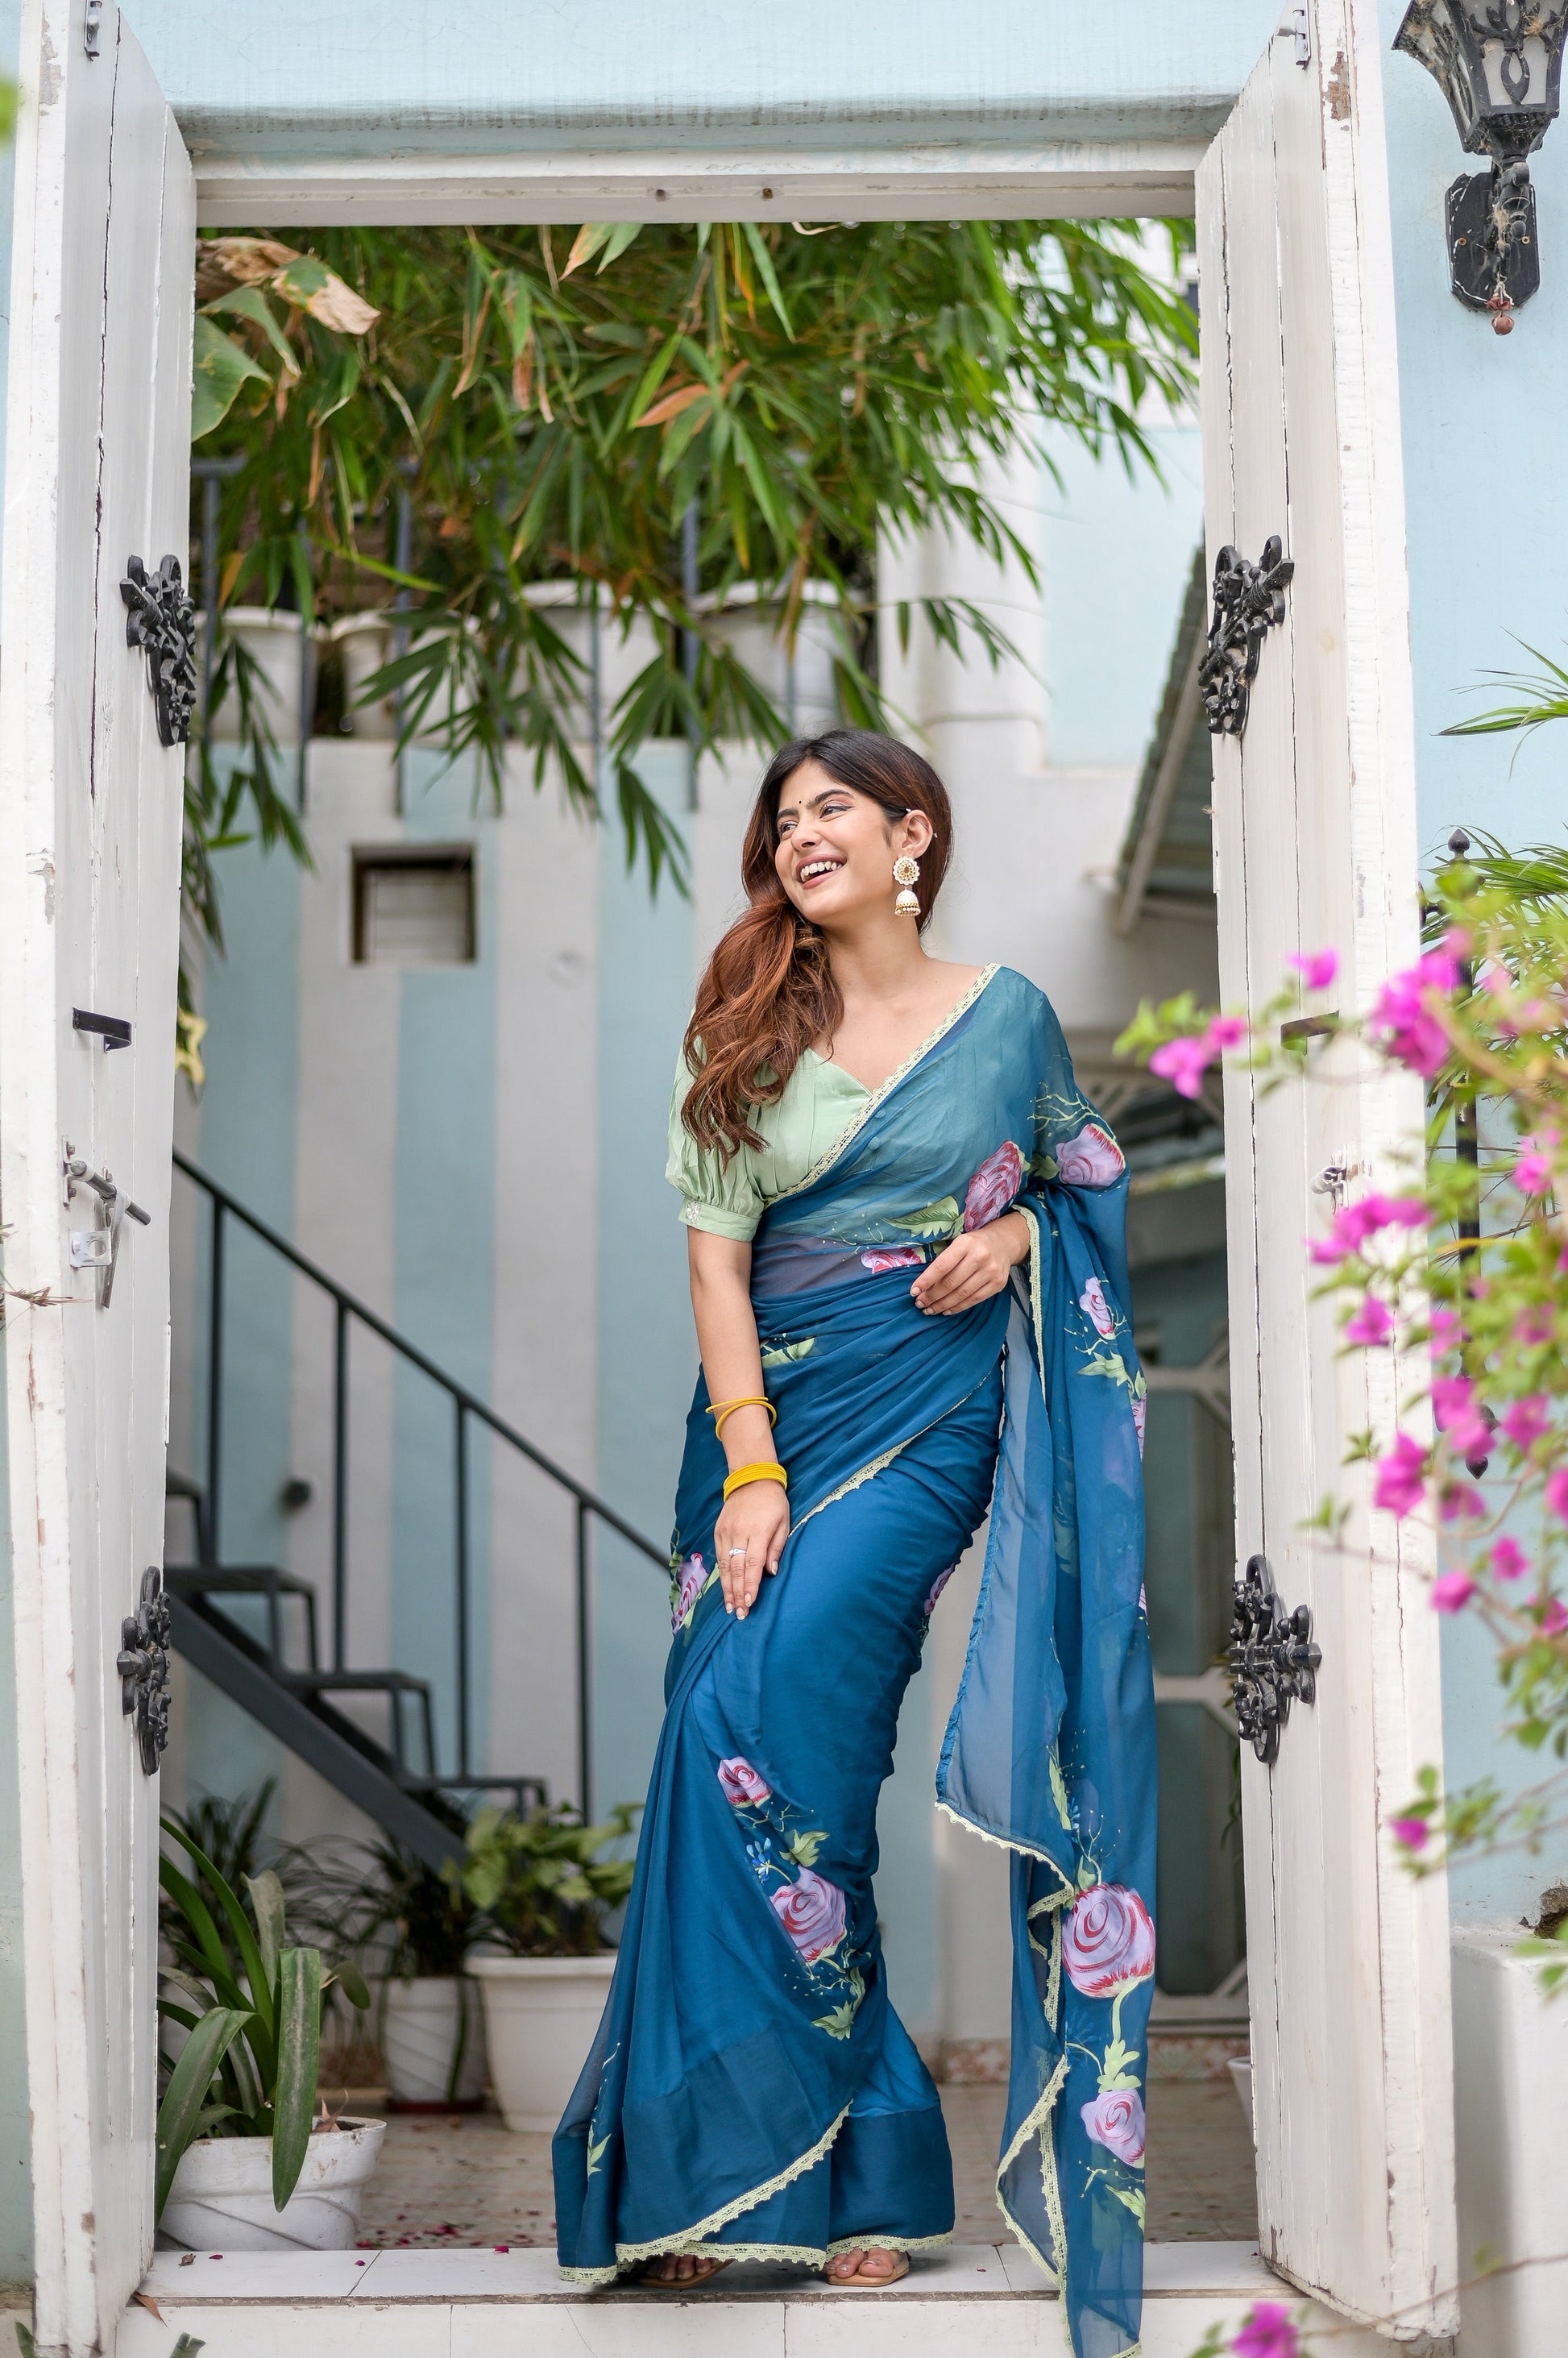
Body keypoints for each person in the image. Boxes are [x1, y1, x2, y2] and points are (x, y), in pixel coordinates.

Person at [554, 729, 1155, 2358]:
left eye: (833, 807)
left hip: (921, 1427)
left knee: (776, 1741)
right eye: (783, 814)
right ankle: (799, 2169)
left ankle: (798, 2162)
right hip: (762, 1433)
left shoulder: (1008, 1015)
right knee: (722, 1742)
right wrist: (749, 1468)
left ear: (912, 835)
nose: (800, 829)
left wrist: (1022, 1228)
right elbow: (715, 1271)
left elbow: (1097, 1193)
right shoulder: (751, 1022)